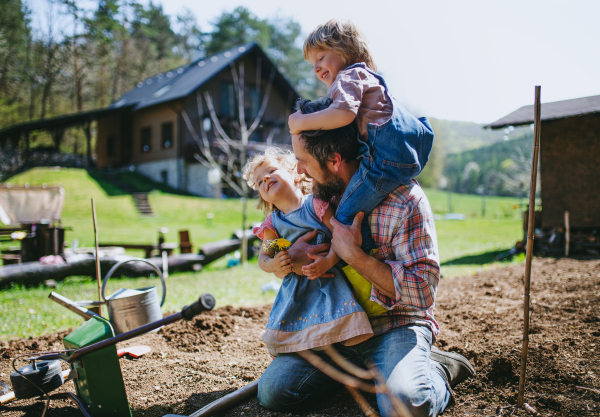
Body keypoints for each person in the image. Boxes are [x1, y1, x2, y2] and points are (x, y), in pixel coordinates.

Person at [258, 98, 474, 417]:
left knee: (406, 407)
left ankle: (436, 369)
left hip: (394, 324)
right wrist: (293, 258)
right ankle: (373, 375)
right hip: (336, 327)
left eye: (303, 160)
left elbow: (422, 293)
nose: (299, 169)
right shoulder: (315, 203)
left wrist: (354, 256)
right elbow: (276, 252)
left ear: (333, 160)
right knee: (275, 393)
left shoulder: (404, 200)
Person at [288, 18, 434, 254]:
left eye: (321, 58)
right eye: (312, 63)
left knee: (346, 215)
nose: (315, 68)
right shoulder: (365, 78)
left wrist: (298, 122)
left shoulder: (348, 78)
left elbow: (343, 114)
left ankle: (362, 253)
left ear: (345, 51)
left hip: (384, 160)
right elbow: (274, 244)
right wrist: (274, 252)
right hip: (411, 149)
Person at [241, 148, 373, 356]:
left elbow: (340, 237)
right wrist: (274, 264)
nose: (265, 178)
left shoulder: (316, 206)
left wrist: (328, 261)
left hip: (327, 279)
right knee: (298, 331)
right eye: (259, 182)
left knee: (337, 327)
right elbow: (264, 258)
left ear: (295, 174)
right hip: (295, 289)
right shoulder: (272, 226)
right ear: (264, 198)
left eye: (272, 171)